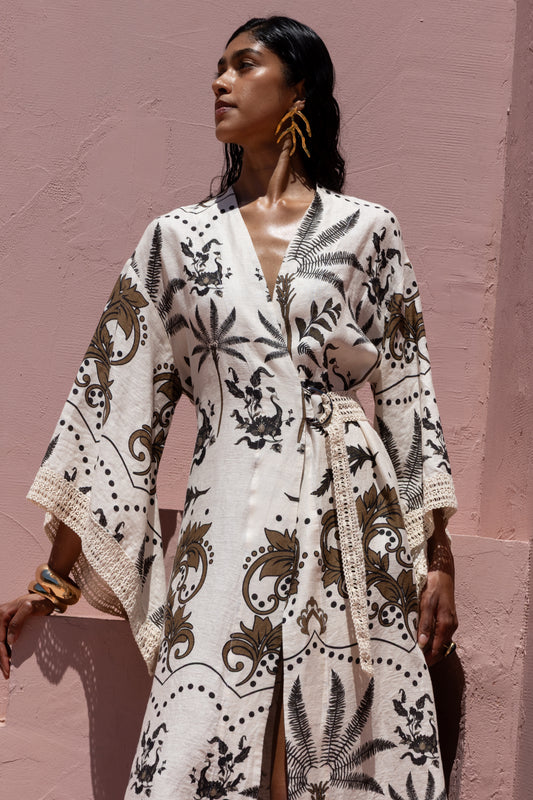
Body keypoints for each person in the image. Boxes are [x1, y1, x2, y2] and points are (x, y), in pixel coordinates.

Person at [0, 16, 458, 800]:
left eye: (243, 65)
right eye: (216, 67)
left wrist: (438, 558)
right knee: (203, 730)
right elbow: (117, 408)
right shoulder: (174, 241)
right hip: (225, 520)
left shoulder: (366, 230)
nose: (218, 81)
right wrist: (54, 580)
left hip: (352, 519)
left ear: (298, 90)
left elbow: (408, 393)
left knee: (341, 738)